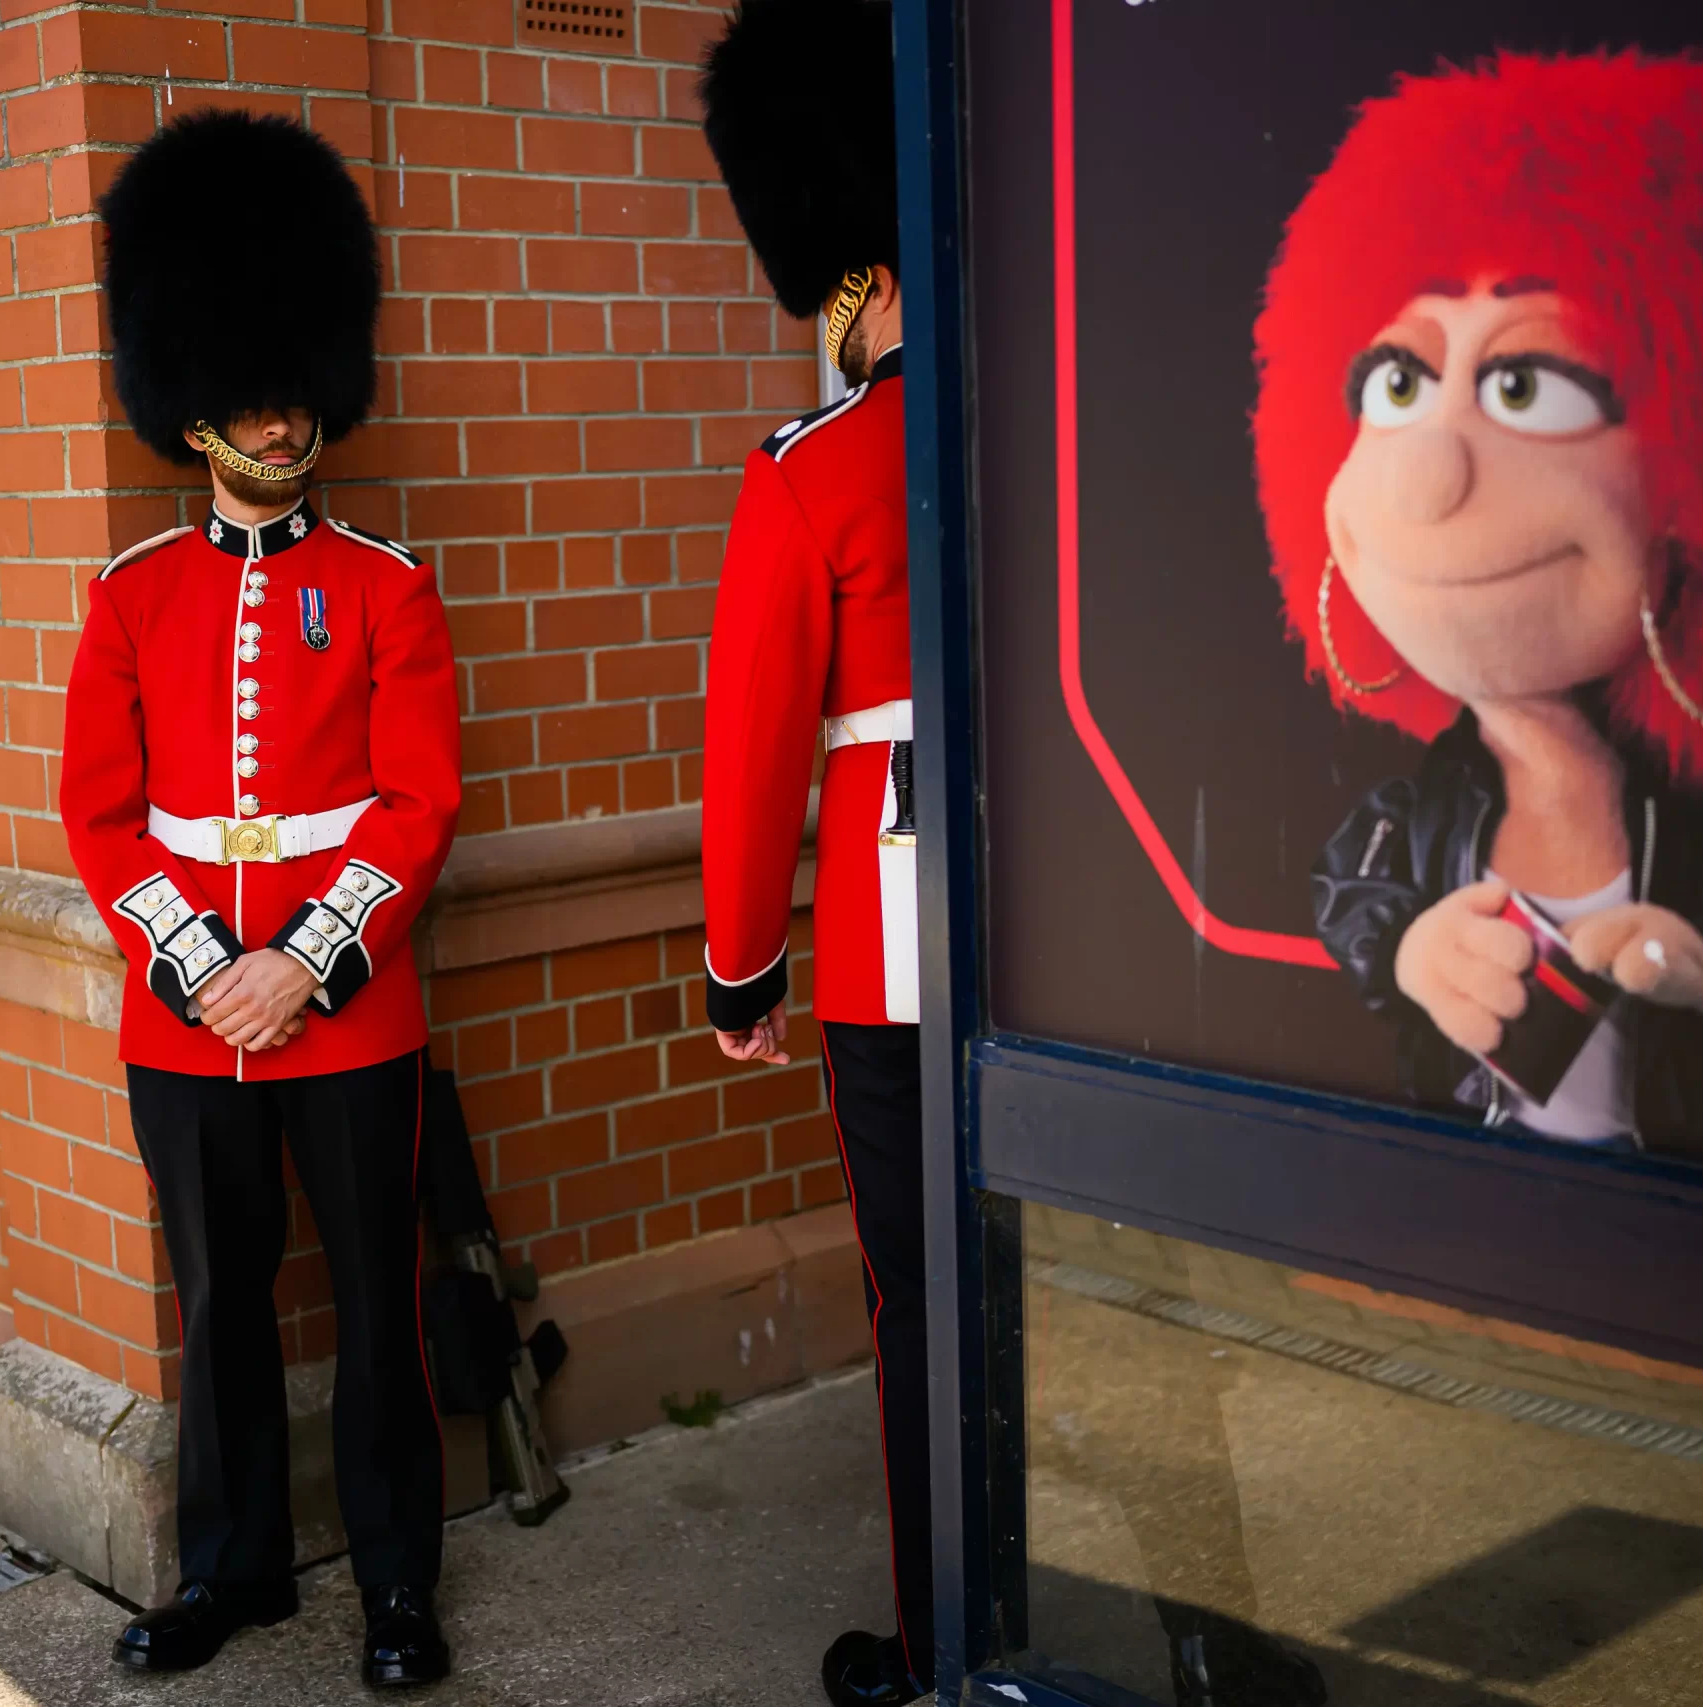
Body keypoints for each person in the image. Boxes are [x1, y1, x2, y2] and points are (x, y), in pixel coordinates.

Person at [1255, 53, 1703, 1147]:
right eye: (1398, 381)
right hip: (1457, 1180)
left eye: (1524, 385)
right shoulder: (1426, 807)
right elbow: (1352, 891)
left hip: (1647, 1196)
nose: (1423, 471)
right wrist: (1411, 954)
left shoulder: (1682, 824)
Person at [59, 109, 462, 1689]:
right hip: (185, 1020)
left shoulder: (386, 587)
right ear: (194, 403)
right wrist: (199, 963)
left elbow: (420, 802)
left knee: (377, 1302)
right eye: (249, 392)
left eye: (295, 388)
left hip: (348, 1012)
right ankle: (231, 1569)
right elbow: (99, 814)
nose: (281, 417)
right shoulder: (132, 596)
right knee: (220, 1301)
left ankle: (398, 1581)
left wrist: (302, 961)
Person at [696, 3, 925, 1702]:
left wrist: (742, 967)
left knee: (916, 1297)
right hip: (1079, 941)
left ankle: (945, 1633)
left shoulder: (813, 467)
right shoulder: (1057, 434)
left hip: (888, 941)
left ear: (856, 282)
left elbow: (757, 746)